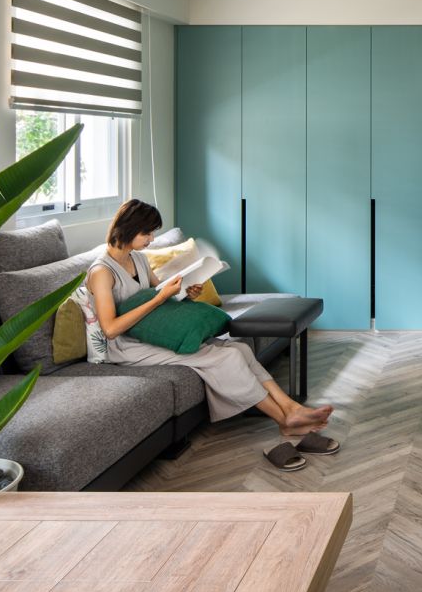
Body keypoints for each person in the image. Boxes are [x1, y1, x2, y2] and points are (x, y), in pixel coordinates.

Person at [87, 199, 338, 470]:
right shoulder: (102, 272)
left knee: (240, 349)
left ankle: (291, 408)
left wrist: (185, 293)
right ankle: (284, 420)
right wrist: (160, 298)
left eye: (153, 233)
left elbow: (161, 295)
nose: (151, 239)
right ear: (128, 228)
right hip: (127, 346)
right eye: (147, 233)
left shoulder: (138, 258)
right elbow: (111, 329)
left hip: (155, 332)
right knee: (226, 358)